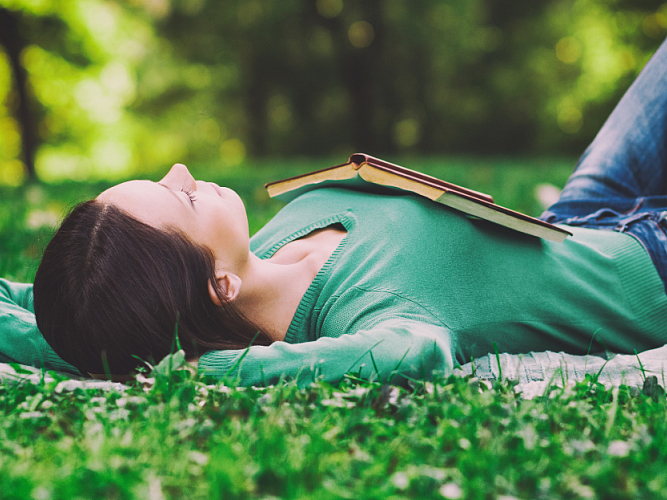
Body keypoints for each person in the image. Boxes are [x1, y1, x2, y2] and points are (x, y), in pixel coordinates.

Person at [4, 39, 667, 385]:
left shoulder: (267, 242)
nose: (182, 172)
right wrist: (190, 368)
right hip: (652, 266)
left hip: (586, 217)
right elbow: (415, 356)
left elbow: (61, 315)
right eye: (180, 197)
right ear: (217, 285)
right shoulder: (365, 322)